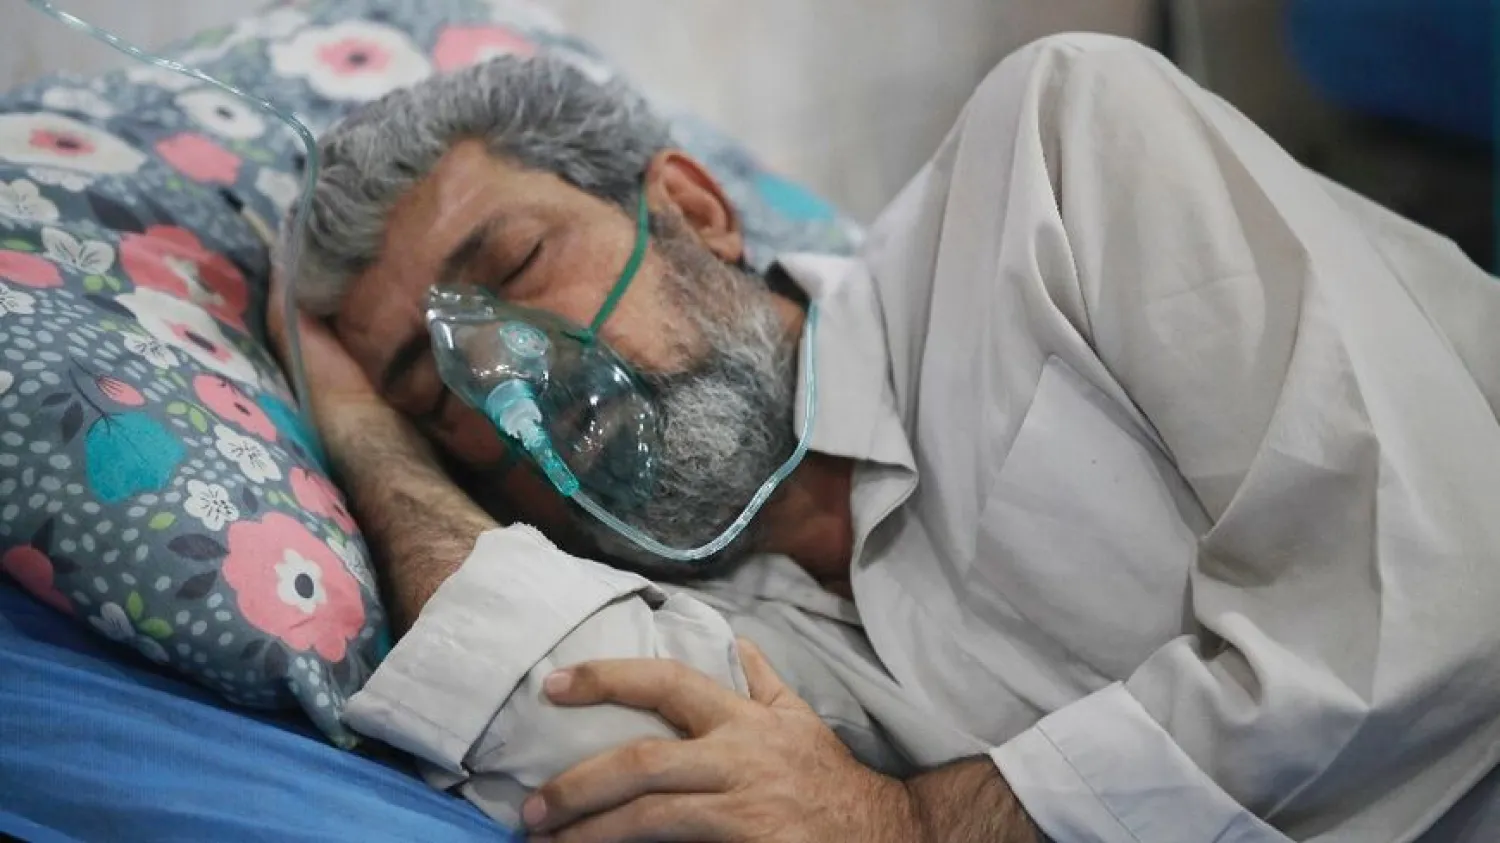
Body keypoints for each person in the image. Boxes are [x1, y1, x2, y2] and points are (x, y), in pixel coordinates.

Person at [270, 32, 1500, 843]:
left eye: (521, 269)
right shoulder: (702, 623)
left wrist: (913, 825)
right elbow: (559, 765)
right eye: (441, 391)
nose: (517, 381)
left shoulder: (1058, 164)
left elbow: (1435, 582)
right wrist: (368, 439)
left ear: (691, 211)